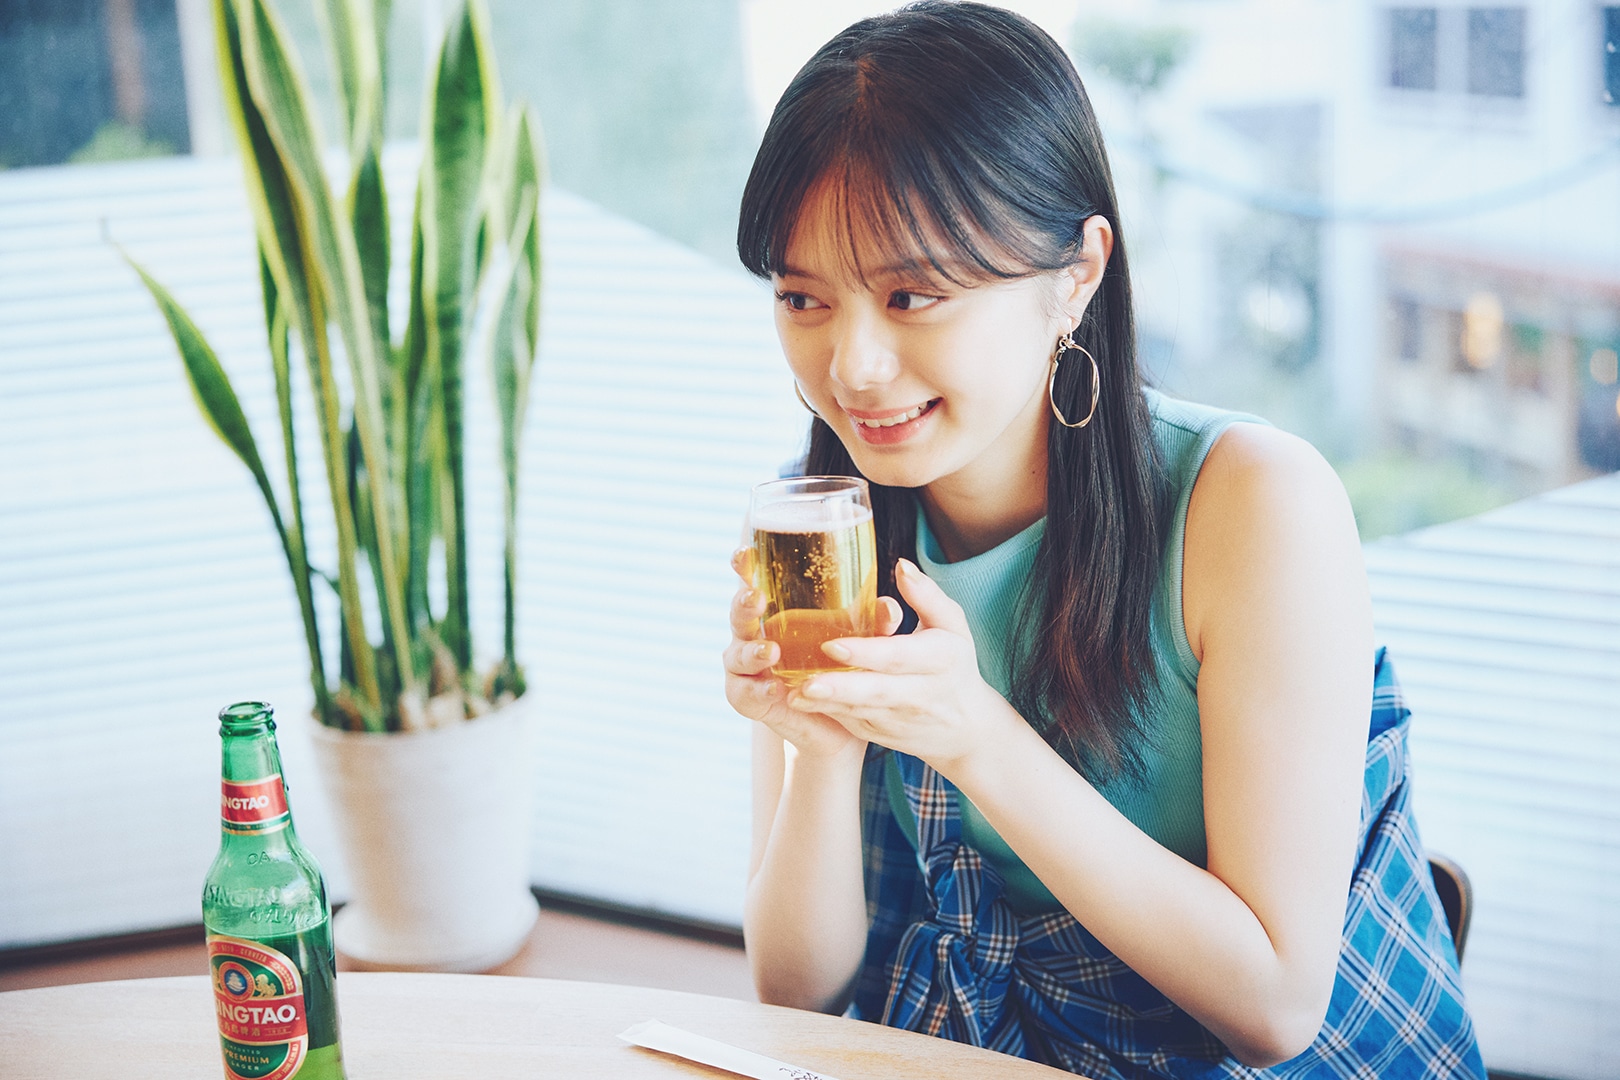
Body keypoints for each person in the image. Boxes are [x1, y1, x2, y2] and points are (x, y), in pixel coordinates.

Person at [722, 4, 1484, 1077]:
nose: (852, 367)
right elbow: (796, 990)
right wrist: (820, 750)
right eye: (803, 296)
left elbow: (1273, 1006)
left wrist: (970, 734)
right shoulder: (830, 521)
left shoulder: (1257, 506)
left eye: (913, 294)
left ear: (1075, 275)